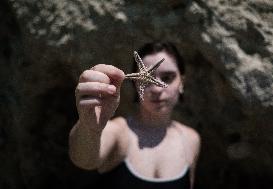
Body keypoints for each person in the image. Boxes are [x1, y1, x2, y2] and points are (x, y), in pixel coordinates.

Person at [69, 41, 201, 189]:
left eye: (167, 77)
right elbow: (85, 160)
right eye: (147, 79)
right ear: (136, 84)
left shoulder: (190, 139)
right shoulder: (119, 132)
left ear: (181, 82)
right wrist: (89, 126)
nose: (157, 89)